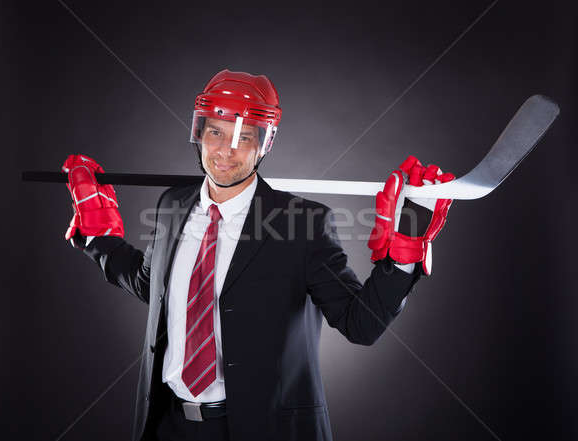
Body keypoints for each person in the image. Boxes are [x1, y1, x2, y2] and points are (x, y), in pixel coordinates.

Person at [61, 69, 455, 441]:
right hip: (169, 425)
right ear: (198, 132)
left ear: (265, 143)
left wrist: (402, 257)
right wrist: (98, 238)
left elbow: (360, 324)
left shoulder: (303, 223)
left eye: (244, 136)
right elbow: (154, 286)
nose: (225, 150)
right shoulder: (172, 205)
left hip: (260, 429)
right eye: (215, 131)